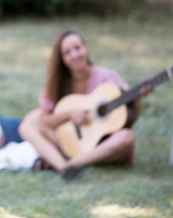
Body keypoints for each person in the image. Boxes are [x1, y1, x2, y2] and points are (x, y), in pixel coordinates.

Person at [18, 30, 152, 180]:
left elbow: (130, 119)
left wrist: (138, 99)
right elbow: (43, 120)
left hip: (103, 146)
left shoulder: (108, 78)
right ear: (61, 59)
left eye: (77, 48)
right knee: (27, 126)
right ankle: (63, 167)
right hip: (71, 143)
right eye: (67, 52)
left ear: (85, 48)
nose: (74, 55)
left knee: (127, 138)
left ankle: (69, 164)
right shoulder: (56, 84)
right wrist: (69, 115)